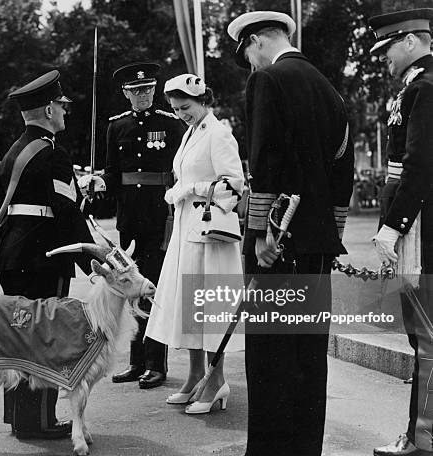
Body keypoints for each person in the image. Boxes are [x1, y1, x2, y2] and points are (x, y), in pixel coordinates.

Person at [227, 11, 354, 456]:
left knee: (270, 360)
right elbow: (344, 173)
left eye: (247, 51)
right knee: (308, 359)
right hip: (317, 244)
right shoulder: (330, 88)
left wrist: (259, 233)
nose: (249, 62)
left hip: (277, 244)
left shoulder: (269, 81)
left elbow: (266, 159)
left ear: (258, 40)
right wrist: (331, 234)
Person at [0, 69, 95, 440]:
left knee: (18, 334)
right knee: (45, 336)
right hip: (43, 257)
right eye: (62, 106)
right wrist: (93, 262)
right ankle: (40, 422)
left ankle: (19, 418)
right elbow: (66, 213)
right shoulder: (53, 154)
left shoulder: (13, 151)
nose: (65, 112)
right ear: (49, 110)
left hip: (13, 253)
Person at [78, 62, 186, 389]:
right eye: (136, 91)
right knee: (129, 289)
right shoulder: (116, 127)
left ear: (154, 90)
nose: (143, 96)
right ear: (126, 93)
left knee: (153, 288)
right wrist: (97, 183)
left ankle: (156, 363)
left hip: (159, 217)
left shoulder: (170, 124)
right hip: (130, 219)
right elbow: (113, 173)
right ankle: (136, 362)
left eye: (148, 90)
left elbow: (179, 170)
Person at [145, 74, 244, 413]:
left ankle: (216, 382)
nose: (180, 114)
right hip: (187, 229)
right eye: (175, 109)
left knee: (209, 307)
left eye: (185, 107)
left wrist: (195, 189)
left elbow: (235, 186)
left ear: (203, 100)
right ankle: (195, 376)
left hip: (210, 234)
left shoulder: (219, 133)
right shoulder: (190, 133)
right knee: (189, 305)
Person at [368, 8, 433, 456]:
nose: (384, 57)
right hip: (416, 222)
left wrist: (393, 226)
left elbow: (417, 168)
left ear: (410, 41)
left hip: (421, 228)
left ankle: (422, 437)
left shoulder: (424, 89)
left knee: (426, 335)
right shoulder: (415, 88)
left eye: (388, 47)